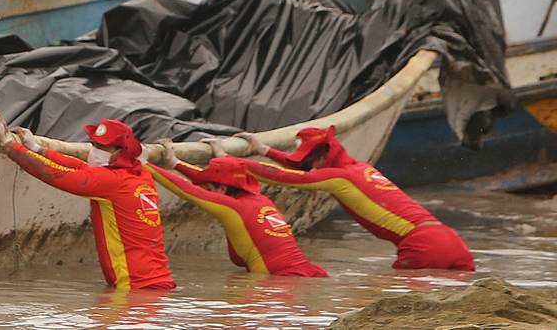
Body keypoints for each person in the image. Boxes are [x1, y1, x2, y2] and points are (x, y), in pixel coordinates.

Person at [237, 126, 475, 271]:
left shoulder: (338, 177)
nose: (308, 167)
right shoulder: (358, 167)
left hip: (424, 246)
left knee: (397, 311)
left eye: (309, 161)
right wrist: (264, 150)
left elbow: (285, 177)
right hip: (452, 241)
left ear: (324, 154)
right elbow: (299, 167)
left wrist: (231, 164)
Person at [0, 110, 175, 290]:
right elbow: (81, 167)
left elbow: (57, 174)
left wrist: (10, 145)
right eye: (94, 145)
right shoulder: (140, 175)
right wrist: (38, 149)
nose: (95, 151)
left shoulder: (110, 181)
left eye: (102, 147)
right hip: (157, 282)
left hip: (136, 286)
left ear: (122, 151)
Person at [145, 138, 328, 277]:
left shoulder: (233, 206)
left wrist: (145, 164)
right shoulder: (261, 199)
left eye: (209, 189)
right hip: (304, 273)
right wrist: (173, 162)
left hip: (279, 280)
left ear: (223, 188)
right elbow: (203, 183)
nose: (207, 192)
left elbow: (187, 190)